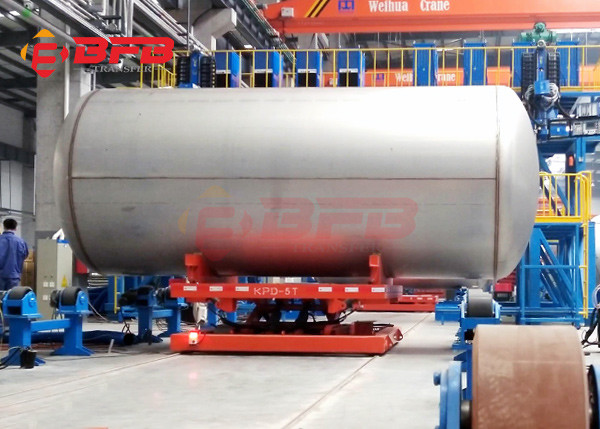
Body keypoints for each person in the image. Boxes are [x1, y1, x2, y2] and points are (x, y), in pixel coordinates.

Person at [0, 218, 29, 291]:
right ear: (15, 228)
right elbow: (25, 255)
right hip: (14, 276)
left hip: (0, 275)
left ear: (4, 227)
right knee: (12, 296)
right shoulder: (21, 242)